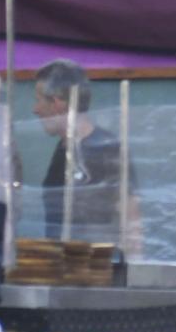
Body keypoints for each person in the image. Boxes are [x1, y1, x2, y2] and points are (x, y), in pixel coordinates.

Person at [32, 58, 139, 248]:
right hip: (62, 266)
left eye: (39, 100)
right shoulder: (63, 149)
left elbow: (130, 218)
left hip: (95, 268)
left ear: (57, 103)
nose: (35, 110)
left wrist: (132, 273)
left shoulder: (106, 149)